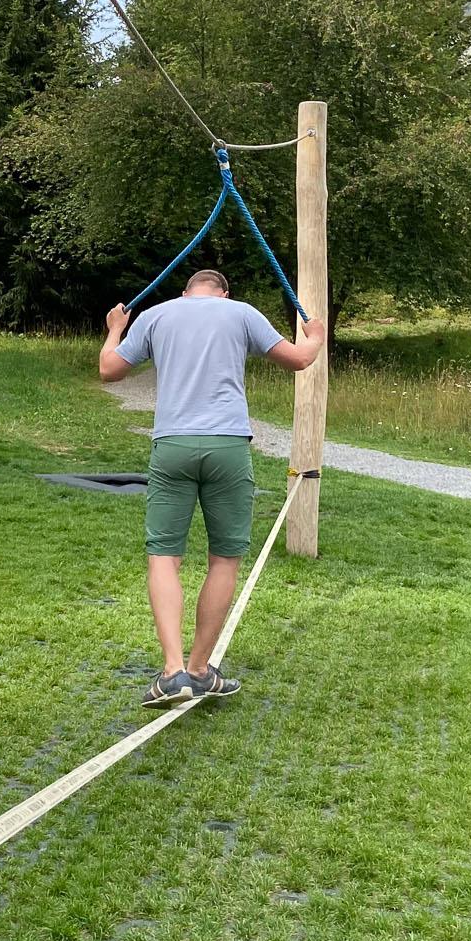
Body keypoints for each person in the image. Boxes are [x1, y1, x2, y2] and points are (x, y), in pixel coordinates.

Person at [99, 268, 325, 705]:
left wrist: (115, 330)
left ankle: (171, 672)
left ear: (187, 292)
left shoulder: (158, 315)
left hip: (172, 446)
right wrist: (315, 335)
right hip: (227, 447)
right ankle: (199, 668)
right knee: (224, 558)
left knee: (164, 557)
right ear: (225, 291)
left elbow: (109, 370)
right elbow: (299, 359)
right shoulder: (240, 312)